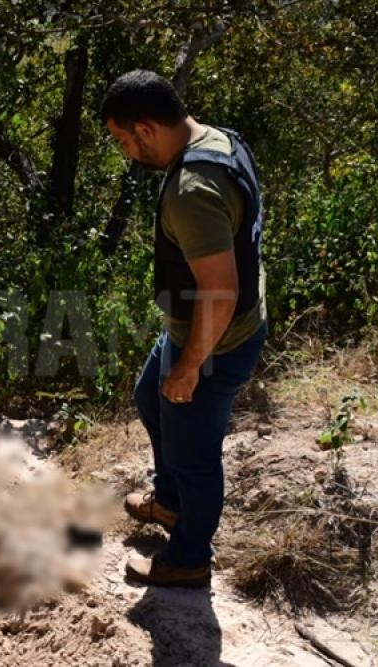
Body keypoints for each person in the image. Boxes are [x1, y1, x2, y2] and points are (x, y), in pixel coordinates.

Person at [101, 70, 268, 588]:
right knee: (151, 399)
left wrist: (191, 366)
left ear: (146, 128)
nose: (127, 152)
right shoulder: (220, 141)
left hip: (215, 338)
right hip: (200, 326)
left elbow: (220, 290)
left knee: (194, 454)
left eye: (125, 141)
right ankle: (170, 503)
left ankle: (190, 558)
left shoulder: (192, 190)